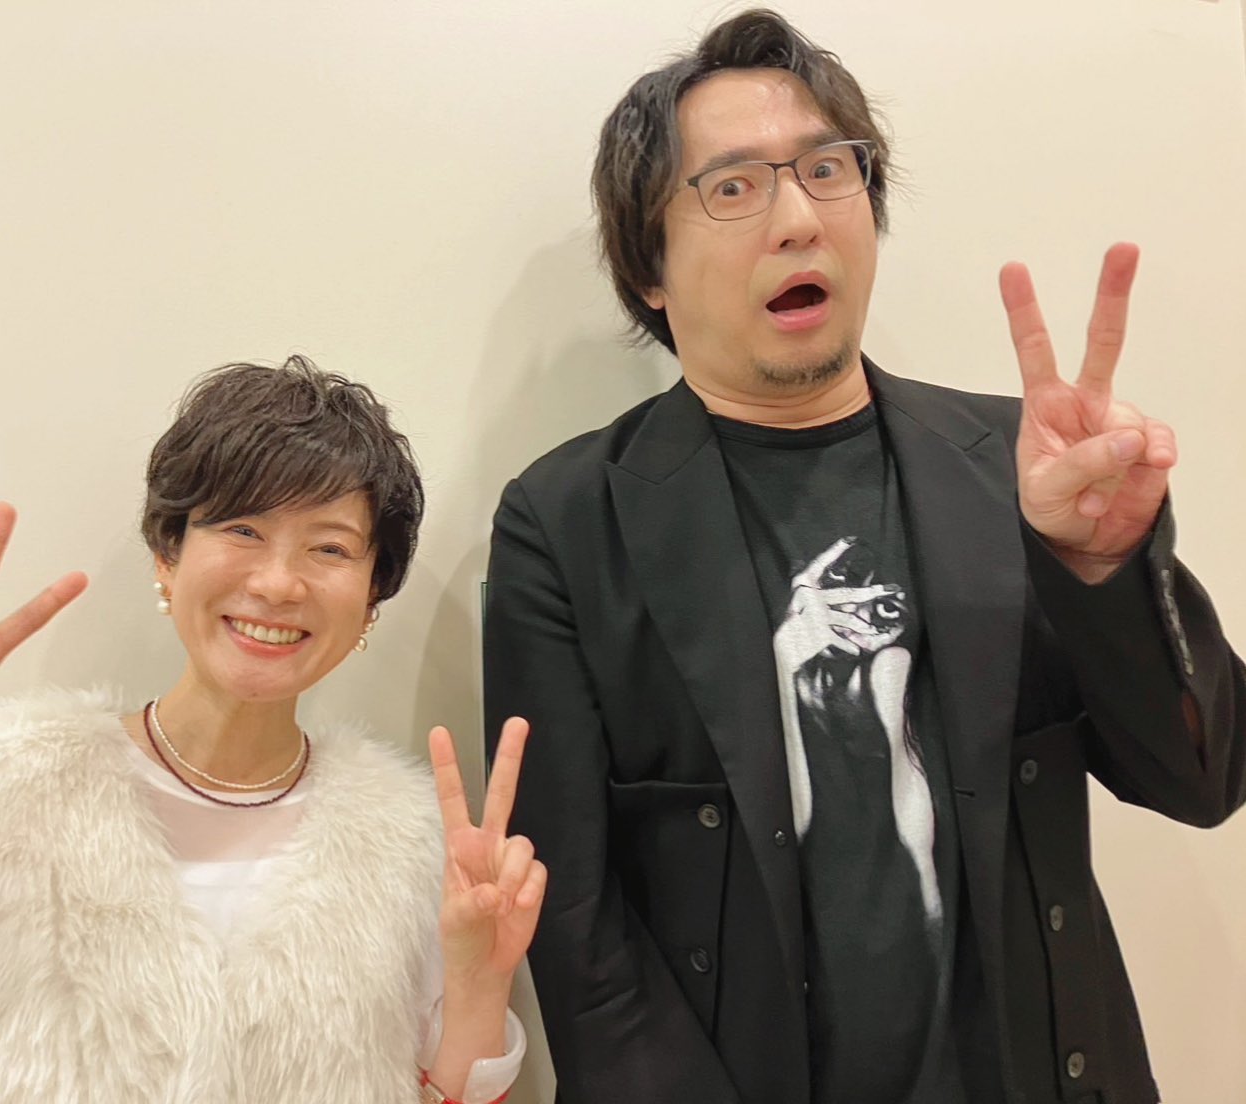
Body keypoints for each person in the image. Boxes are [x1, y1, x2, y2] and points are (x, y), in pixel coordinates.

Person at [482, 10, 1246, 1104]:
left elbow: (1202, 781)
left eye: (827, 169)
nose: (798, 218)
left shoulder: (1017, 470)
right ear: (649, 267)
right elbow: (574, 925)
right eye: (733, 186)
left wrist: (1103, 570)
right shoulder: (566, 523)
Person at [0, 357, 544, 1104]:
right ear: (167, 556)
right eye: (242, 529)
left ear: (372, 597)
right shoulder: (7, 783)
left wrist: (480, 984)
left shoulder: (405, 840)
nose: (278, 582)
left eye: (329, 548)